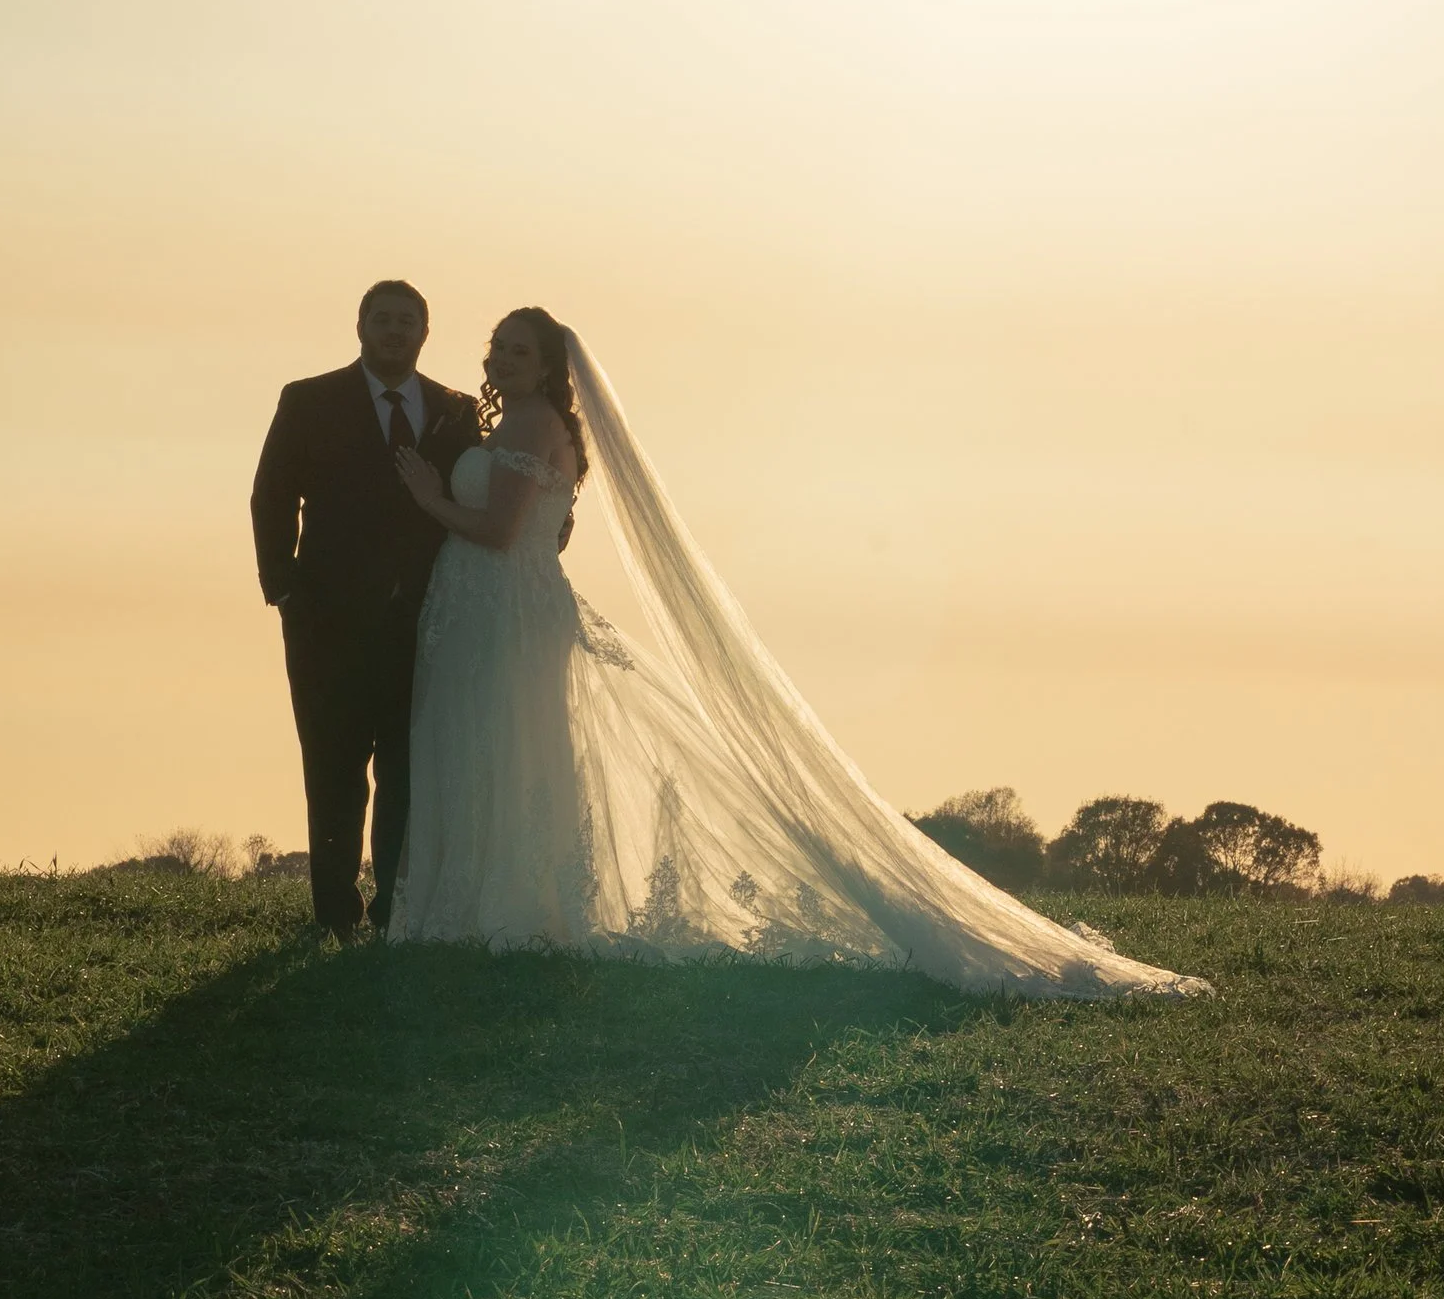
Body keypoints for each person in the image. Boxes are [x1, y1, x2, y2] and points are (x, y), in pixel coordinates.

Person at [387, 308, 1207, 1000]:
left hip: (501, 608)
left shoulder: (531, 423)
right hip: (489, 610)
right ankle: (497, 913)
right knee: (501, 750)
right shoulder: (521, 423)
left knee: (501, 748)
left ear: (548, 364)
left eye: (516, 350)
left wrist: (427, 498)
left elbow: (500, 531)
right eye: (495, 345)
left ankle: (498, 916)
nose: (499, 357)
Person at [249, 279, 481, 938]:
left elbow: (480, 492)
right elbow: (271, 497)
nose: (394, 330)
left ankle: (393, 913)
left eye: (407, 321)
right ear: (360, 327)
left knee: (408, 776)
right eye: (382, 319)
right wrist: (283, 586)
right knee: (332, 771)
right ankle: (334, 916)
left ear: (425, 334)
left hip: (422, 625)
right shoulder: (309, 401)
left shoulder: (455, 411)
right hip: (326, 624)